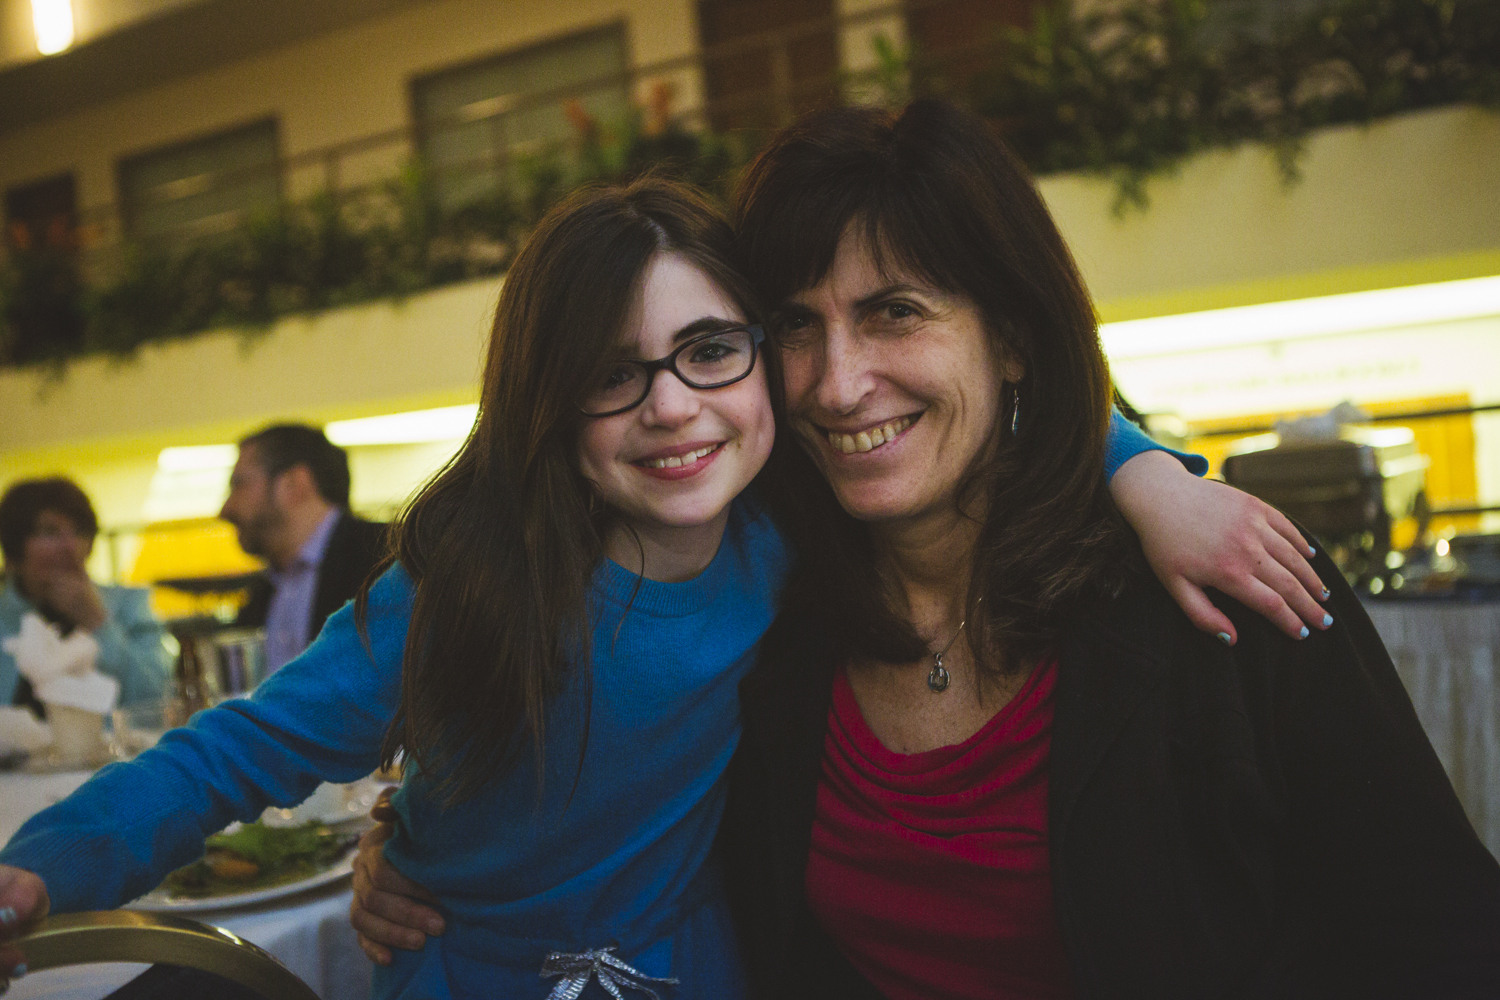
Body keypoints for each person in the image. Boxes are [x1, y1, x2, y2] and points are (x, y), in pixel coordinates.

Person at [1, 177, 1321, 1000]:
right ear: (548, 403)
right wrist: (40, 873)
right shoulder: (471, 586)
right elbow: (235, 749)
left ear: (768, 361)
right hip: (471, 973)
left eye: (709, 351)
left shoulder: (798, 528)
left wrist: (1151, 477)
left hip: (707, 966)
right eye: (613, 371)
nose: (672, 408)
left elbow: (1005, 414)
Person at [712, 102, 1500, 997]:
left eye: (894, 312)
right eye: (796, 326)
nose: (837, 384)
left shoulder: (1230, 587)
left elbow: (1443, 938)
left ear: (1011, 338)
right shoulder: (773, 630)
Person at [220, 424, 386, 672]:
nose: (224, 510)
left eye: (239, 484)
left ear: (293, 484)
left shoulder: (388, 559)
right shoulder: (262, 593)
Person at [0, 478, 170, 710]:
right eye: (50, 532)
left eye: (79, 532)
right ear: (15, 547)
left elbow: (159, 698)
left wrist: (98, 624)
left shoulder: (128, 605)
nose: (69, 546)